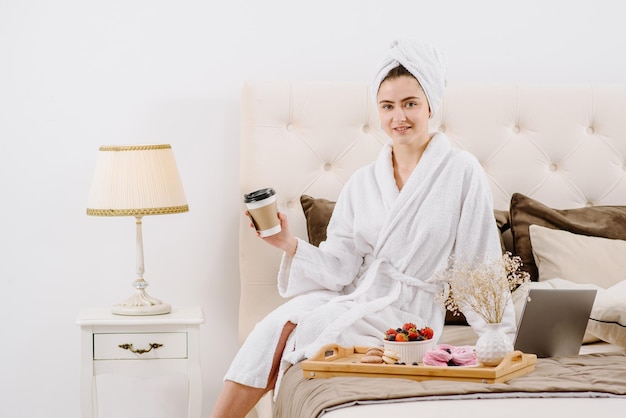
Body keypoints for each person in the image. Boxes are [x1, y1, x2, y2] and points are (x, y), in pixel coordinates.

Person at [210, 39, 517, 418]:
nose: (398, 117)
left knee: (311, 329)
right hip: (358, 294)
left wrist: (494, 332)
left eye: (410, 104)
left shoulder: (460, 171)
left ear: (431, 105)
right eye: (387, 106)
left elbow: (478, 258)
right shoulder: (362, 182)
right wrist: (288, 244)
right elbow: (341, 266)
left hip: (410, 313)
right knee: (272, 325)